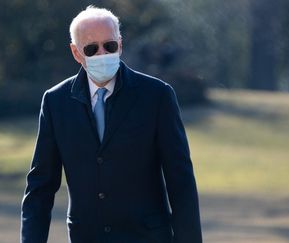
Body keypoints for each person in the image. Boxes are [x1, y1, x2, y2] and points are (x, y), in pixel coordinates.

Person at [21, 5, 202, 243]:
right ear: (76, 53)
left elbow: (181, 182)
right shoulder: (56, 102)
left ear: (120, 44)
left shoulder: (157, 96)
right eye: (91, 48)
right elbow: (40, 189)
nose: (102, 54)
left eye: (110, 45)